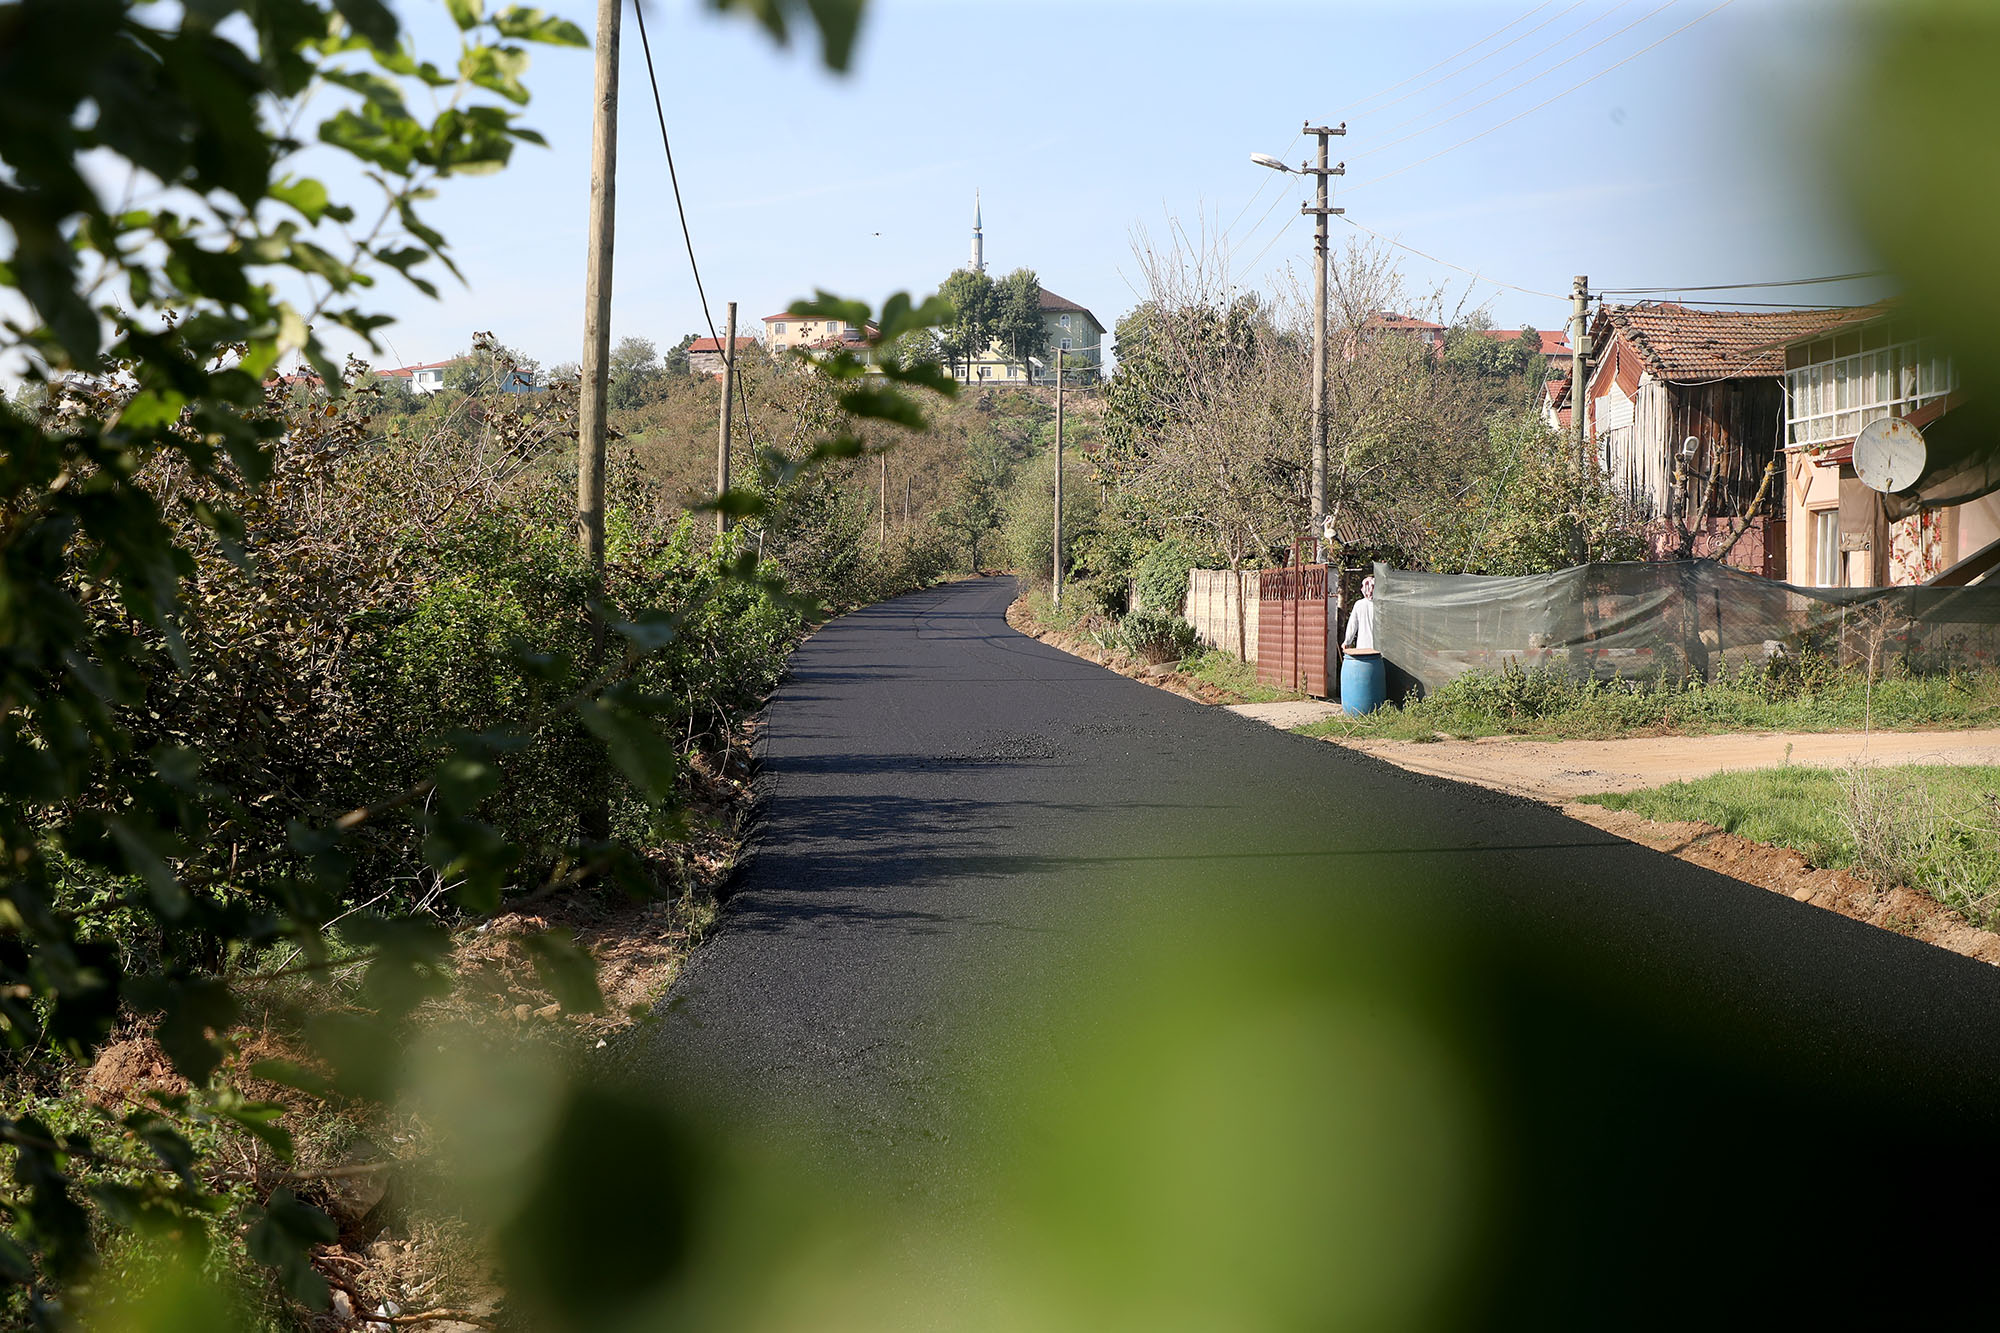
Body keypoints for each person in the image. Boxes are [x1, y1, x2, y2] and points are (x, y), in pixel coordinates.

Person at [1341, 575, 1376, 653]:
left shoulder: (1359, 604)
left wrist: (1347, 642)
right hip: (1377, 649)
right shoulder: (1381, 605)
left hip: (1362, 647)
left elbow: (1352, 625)